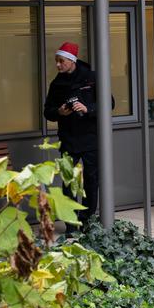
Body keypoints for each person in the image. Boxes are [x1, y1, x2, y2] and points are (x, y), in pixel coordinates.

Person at [44, 42, 105, 232]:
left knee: (91, 179)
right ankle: (71, 223)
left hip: (90, 138)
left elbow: (108, 103)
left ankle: (86, 219)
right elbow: (47, 112)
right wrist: (60, 112)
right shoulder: (56, 84)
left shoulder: (92, 78)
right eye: (56, 61)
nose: (58, 65)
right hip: (68, 138)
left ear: (71, 61)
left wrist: (88, 109)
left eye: (61, 61)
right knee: (68, 182)